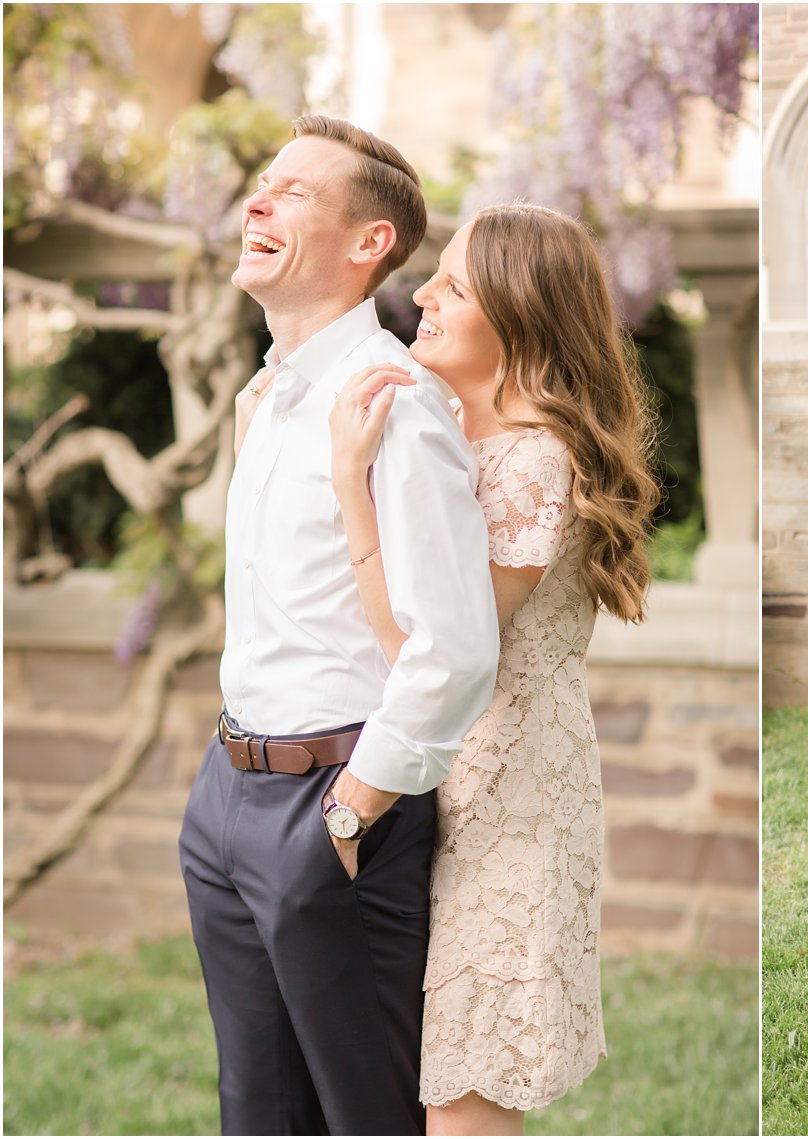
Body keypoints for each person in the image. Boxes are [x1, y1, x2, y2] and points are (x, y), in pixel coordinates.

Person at [178, 116, 499, 1135]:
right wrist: (221, 791)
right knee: (257, 1112)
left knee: (363, 1116)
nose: (258, 202)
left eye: (294, 192)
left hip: (334, 803)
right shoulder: (267, 395)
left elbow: (453, 644)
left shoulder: (393, 405)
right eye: (261, 185)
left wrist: (352, 810)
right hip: (227, 795)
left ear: (368, 244)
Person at [324, 203, 661, 1134]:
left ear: (519, 318)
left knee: (462, 1096)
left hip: (507, 801)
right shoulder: (467, 442)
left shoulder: (530, 466)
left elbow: (419, 648)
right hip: (455, 781)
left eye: (457, 285)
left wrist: (353, 491)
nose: (423, 292)